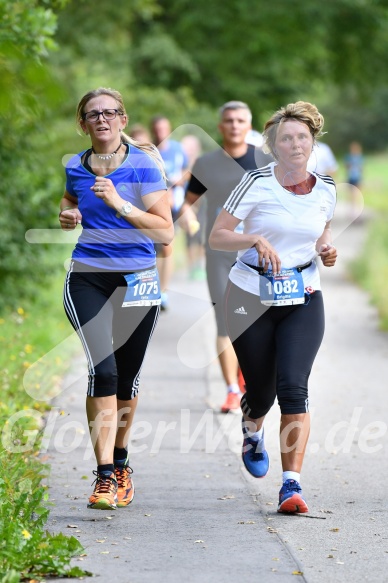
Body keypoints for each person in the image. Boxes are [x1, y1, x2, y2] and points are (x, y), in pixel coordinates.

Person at [209, 101, 337, 514]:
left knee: (294, 388)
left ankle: (291, 486)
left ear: (312, 142)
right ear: (274, 146)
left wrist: (326, 250)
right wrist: (253, 240)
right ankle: (251, 427)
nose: (295, 144)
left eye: (302, 137)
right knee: (260, 391)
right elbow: (218, 236)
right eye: (287, 138)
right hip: (250, 294)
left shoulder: (328, 187)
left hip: (304, 295)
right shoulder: (256, 182)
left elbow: (320, 234)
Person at [59, 87, 173, 510]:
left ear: (123, 120)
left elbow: (165, 233)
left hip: (138, 280)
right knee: (102, 371)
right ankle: (104, 475)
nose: (102, 119)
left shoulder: (144, 166)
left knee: (125, 378)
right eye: (93, 114)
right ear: (83, 123)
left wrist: (121, 204)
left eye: (110, 113)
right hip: (87, 278)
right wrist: (68, 213)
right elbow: (71, 198)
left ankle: (121, 460)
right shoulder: (76, 165)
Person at [180, 101, 272, 413]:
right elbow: (187, 202)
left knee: (256, 321)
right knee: (225, 321)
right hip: (218, 253)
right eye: (228, 121)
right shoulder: (205, 164)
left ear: (249, 126)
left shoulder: (264, 161)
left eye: (240, 120)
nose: (234, 125)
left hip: (257, 254)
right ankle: (232, 390)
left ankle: (246, 376)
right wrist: (189, 223)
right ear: (220, 127)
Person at [151, 115, 189, 310]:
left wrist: (178, 183)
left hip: (173, 206)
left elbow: (187, 171)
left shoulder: (177, 149)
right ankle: (153, 288)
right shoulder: (149, 151)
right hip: (153, 207)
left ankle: (163, 292)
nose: (161, 133)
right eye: (157, 129)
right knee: (155, 250)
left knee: (167, 248)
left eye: (164, 129)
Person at [180, 134, 206, 280]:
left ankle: (200, 266)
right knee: (190, 236)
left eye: (191, 148)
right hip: (186, 206)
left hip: (202, 204)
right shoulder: (183, 164)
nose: (189, 151)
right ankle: (191, 267)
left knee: (202, 235)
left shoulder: (201, 163)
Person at [345, 141, 364, 221]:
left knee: (358, 195)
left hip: (358, 178)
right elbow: (347, 167)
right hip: (351, 178)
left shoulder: (360, 157)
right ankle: (353, 212)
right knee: (352, 195)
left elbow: (361, 169)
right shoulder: (349, 157)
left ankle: (358, 211)